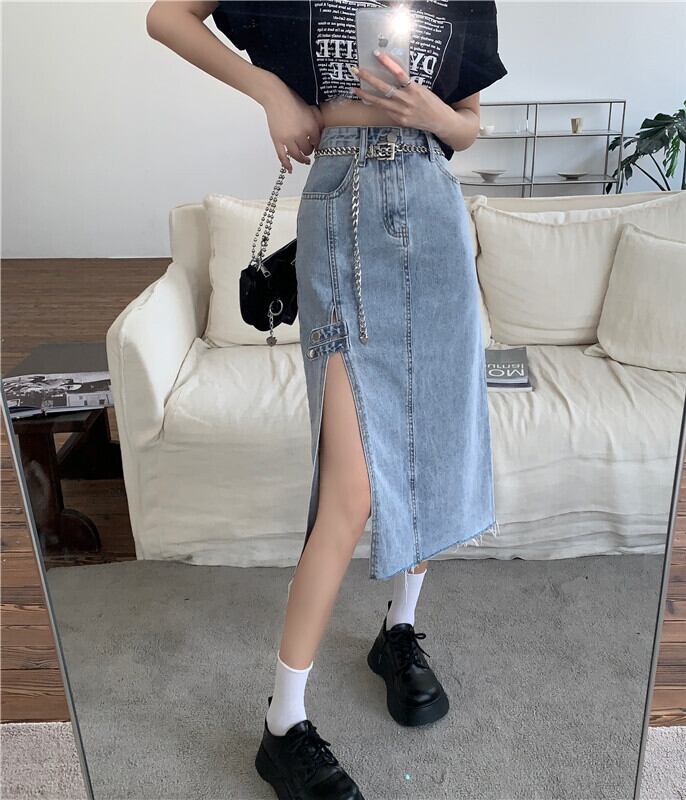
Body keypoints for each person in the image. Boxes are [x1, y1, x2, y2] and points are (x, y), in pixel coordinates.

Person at [146, 2, 506, 797]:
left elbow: (471, 124)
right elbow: (168, 16)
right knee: (350, 491)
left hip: (434, 210)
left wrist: (431, 112)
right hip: (343, 207)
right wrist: (270, 90)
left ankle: (398, 632)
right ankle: (283, 723)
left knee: (427, 451)